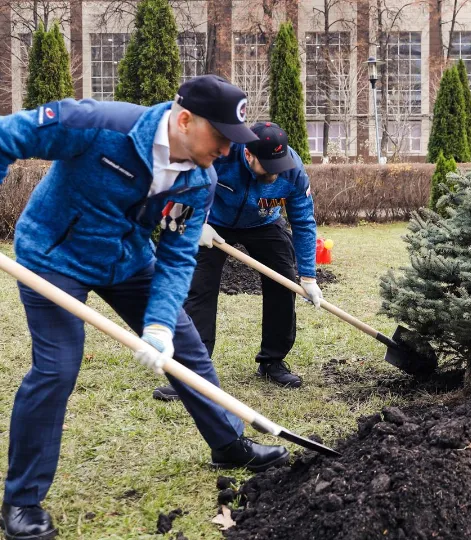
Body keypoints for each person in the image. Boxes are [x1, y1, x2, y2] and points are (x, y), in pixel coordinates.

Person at [0, 75, 289, 539]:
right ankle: (22, 500)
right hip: (55, 258)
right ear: (185, 119)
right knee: (56, 370)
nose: (226, 150)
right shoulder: (99, 125)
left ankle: (228, 443)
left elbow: (177, 256)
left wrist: (158, 326)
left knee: (186, 347)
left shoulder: (200, 180)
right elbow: (6, 137)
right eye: (220, 137)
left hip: (129, 262)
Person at [152, 122, 320, 401]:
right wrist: (194, 226)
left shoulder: (291, 169)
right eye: (268, 165)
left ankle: (272, 361)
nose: (275, 171)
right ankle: (192, 373)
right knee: (199, 290)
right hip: (213, 224)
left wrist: (309, 277)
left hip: (264, 223)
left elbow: (303, 221)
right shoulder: (221, 153)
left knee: (283, 283)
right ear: (249, 155)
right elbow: (177, 187)